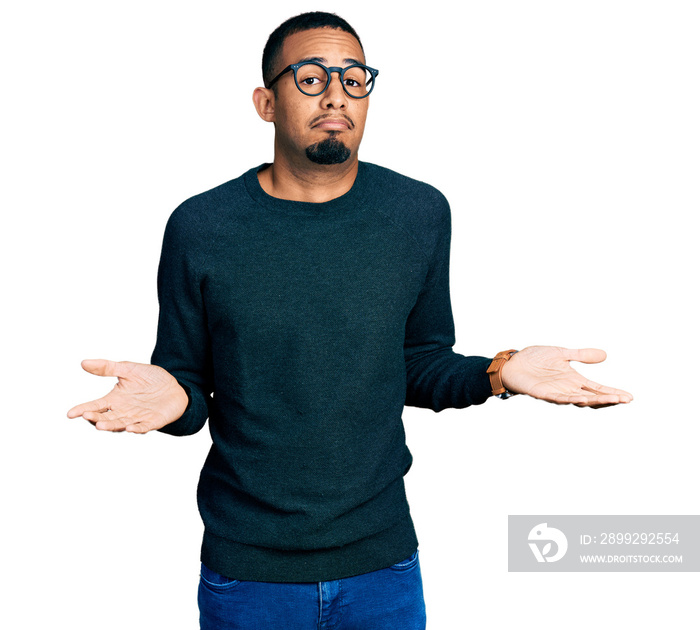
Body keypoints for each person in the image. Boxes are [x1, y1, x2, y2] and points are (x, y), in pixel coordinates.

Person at [67, 11, 632, 630]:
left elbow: (418, 363)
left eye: (354, 78)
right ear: (265, 102)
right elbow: (189, 386)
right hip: (248, 574)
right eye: (310, 77)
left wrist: (499, 372)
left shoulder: (418, 212)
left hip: (383, 566)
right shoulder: (201, 227)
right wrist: (173, 400)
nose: (337, 94)